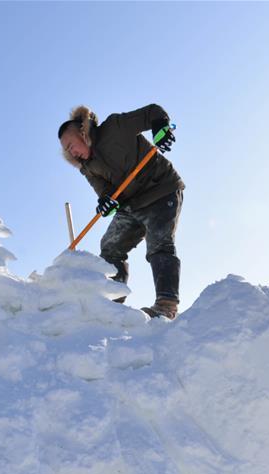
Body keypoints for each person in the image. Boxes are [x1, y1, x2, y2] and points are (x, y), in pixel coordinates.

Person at [58, 104, 185, 319]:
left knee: (159, 243)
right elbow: (105, 192)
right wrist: (106, 202)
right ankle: (112, 305)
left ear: (82, 132)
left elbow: (152, 112)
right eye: (67, 150)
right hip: (132, 204)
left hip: (160, 190)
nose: (71, 152)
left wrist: (160, 128)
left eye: (71, 145)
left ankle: (166, 305)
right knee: (110, 247)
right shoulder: (87, 167)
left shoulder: (115, 127)